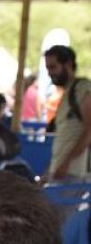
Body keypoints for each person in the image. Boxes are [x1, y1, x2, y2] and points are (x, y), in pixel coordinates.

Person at [44, 45, 91, 181]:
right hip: (59, 171)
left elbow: (89, 131)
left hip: (73, 173)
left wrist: (67, 163)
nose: (49, 73)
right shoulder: (66, 95)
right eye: (48, 68)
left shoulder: (82, 88)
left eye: (53, 67)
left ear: (68, 64)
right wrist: (48, 172)